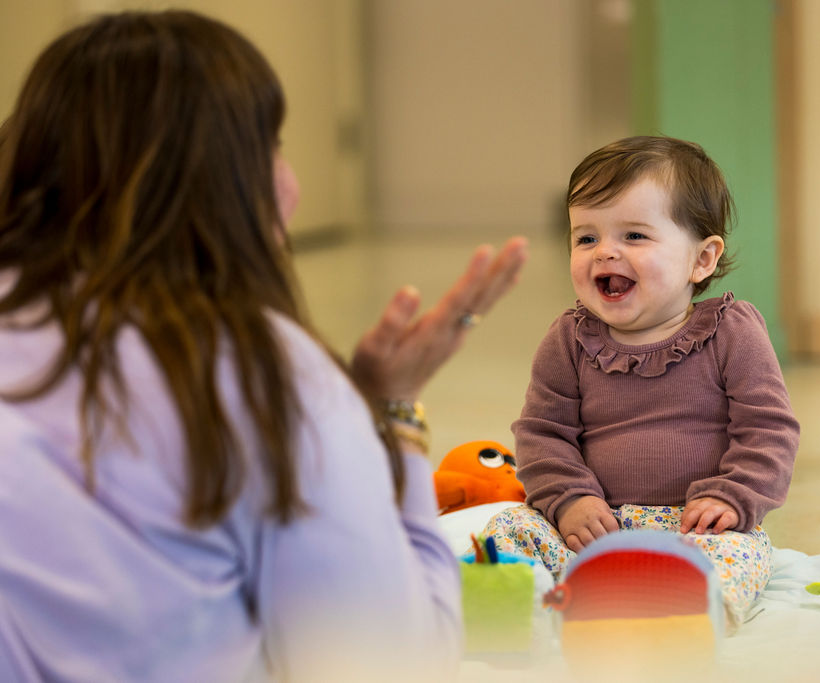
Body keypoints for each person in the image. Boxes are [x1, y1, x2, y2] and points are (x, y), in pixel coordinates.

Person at [0, 10, 527, 682]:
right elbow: (388, 661)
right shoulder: (260, 371)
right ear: (212, 179)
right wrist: (391, 419)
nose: (293, 186)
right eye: (271, 147)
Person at [482, 135, 799, 628]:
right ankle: (535, 609)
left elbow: (769, 429)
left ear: (703, 259)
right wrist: (570, 500)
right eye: (586, 237)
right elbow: (543, 434)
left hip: (696, 526)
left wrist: (732, 497)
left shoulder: (732, 331)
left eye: (634, 236)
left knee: (739, 554)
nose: (604, 252)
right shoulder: (568, 339)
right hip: (595, 525)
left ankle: (682, 615)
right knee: (508, 527)